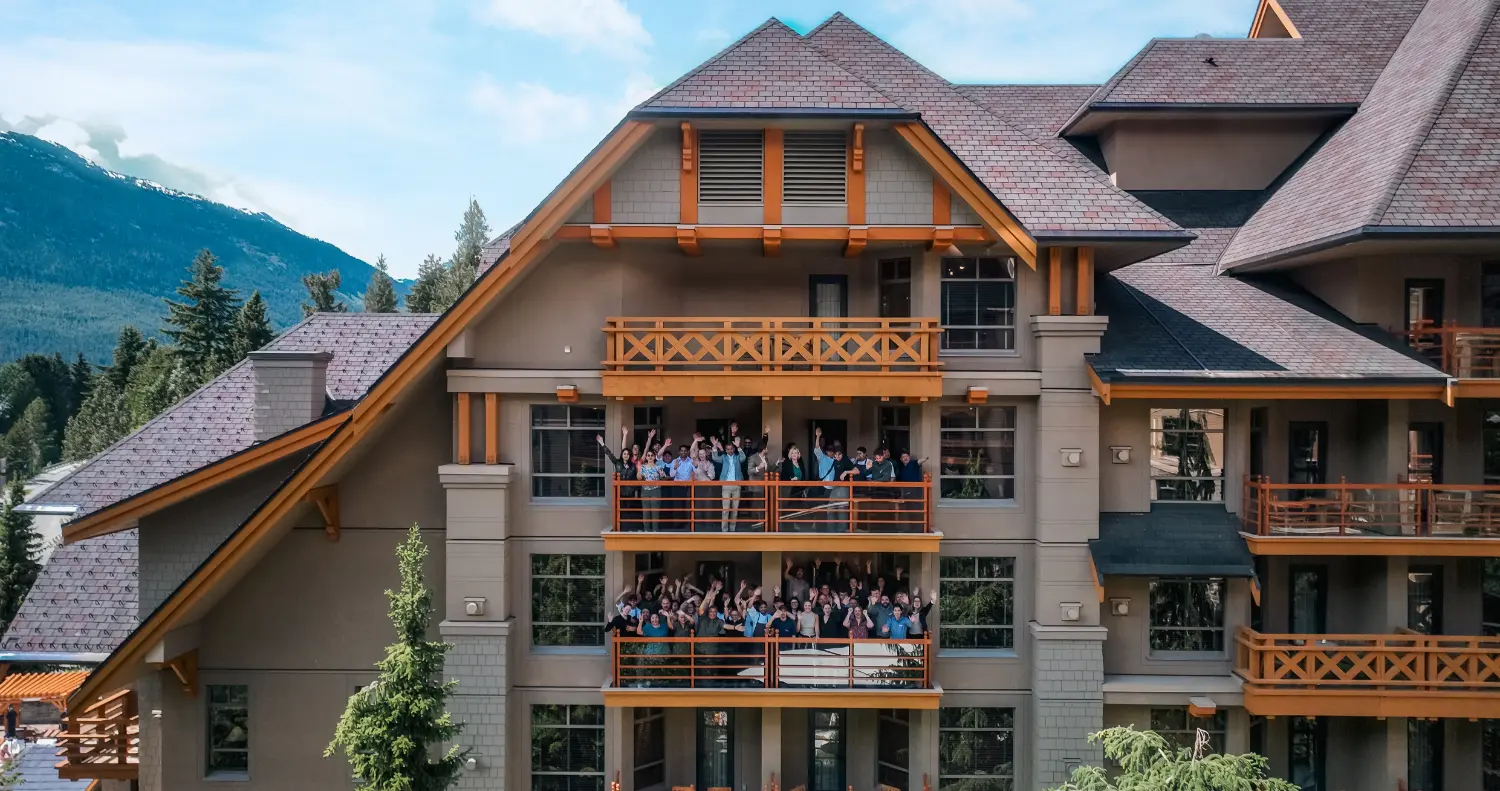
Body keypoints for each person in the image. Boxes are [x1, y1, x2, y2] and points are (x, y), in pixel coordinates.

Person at [711, 435, 746, 531]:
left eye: (731, 449)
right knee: (725, 510)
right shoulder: (723, 457)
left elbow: (743, 458)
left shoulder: (738, 457)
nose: (729, 451)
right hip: (726, 485)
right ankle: (724, 530)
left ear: (733, 449)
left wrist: (739, 447)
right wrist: (714, 447)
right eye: (727, 449)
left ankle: (732, 529)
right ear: (725, 450)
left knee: (734, 510)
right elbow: (714, 458)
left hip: (737, 485)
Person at [777, 444, 812, 531]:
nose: (794, 455)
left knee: (799, 507)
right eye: (792, 453)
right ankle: (790, 526)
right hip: (791, 489)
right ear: (790, 454)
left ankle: (798, 524)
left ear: (798, 454)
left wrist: (804, 486)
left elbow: (803, 476)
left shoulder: (800, 463)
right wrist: (791, 479)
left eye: (796, 453)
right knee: (791, 508)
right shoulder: (787, 463)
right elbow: (784, 476)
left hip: (800, 489)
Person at [636, 448, 669, 531]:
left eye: (652, 455)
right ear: (646, 457)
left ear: (654, 457)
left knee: (655, 511)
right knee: (646, 512)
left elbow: (664, 479)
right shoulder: (643, 467)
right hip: (645, 491)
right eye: (648, 455)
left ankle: (655, 530)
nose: (650, 457)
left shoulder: (659, 467)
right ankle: (646, 530)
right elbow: (639, 479)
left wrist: (662, 475)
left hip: (656, 491)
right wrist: (639, 469)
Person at [745, 428, 771, 529]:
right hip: (755, 487)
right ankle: (754, 524)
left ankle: (761, 524)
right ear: (763, 449)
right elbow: (749, 471)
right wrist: (757, 468)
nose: (768, 449)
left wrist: (777, 463)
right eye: (766, 448)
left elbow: (767, 470)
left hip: (764, 486)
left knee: (762, 506)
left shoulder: (766, 458)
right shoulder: (753, 458)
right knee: (755, 506)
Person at [811, 427, 837, 529]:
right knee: (820, 506)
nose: (830, 453)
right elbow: (817, 448)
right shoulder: (822, 458)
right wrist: (817, 436)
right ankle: (818, 525)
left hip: (834, 488)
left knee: (830, 508)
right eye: (829, 451)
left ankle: (828, 527)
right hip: (823, 486)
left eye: (832, 451)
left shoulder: (837, 460)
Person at [896, 449, 929, 527]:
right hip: (906, 493)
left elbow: (919, 461)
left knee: (917, 511)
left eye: (906, 456)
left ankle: (918, 528)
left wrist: (925, 459)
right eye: (903, 457)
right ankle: (912, 528)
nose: (905, 458)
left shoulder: (913, 463)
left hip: (916, 492)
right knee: (909, 512)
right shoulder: (900, 469)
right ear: (901, 459)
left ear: (909, 457)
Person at [668, 442, 696, 530]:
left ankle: (687, 526)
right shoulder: (675, 461)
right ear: (679, 452)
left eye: (685, 451)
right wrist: (675, 468)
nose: (683, 452)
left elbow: (696, 472)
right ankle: (677, 526)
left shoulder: (691, 461)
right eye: (682, 451)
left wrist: (696, 466)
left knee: (687, 506)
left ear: (688, 452)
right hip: (677, 487)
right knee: (677, 506)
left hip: (687, 487)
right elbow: (672, 475)